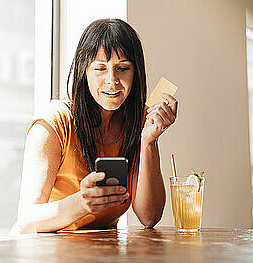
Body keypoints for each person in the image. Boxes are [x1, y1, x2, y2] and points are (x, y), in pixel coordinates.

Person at [13, 18, 178, 233]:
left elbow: (149, 217)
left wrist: (148, 141)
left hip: (102, 252)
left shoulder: (139, 122)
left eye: (123, 68)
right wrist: (81, 203)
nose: (112, 80)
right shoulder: (54, 122)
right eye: (100, 68)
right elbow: (26, 221)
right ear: (84, 71)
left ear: (136, 73)